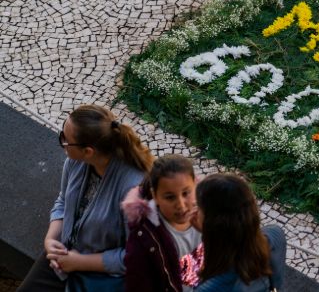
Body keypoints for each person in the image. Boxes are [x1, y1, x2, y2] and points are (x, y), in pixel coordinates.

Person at [18, 105, 153, 292]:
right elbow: (63, 201)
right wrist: (50, 240)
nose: (63, 143)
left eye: (65, 140)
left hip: (103, 274)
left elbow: (137, 257)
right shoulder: (75, 162)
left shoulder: (134, 190)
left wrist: (79, 262)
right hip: (64, 258)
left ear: (88, 151)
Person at [122, 155, 202, 292]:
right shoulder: (144, 239)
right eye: (170, 197)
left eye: (186, 193)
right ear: (155, 195)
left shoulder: (211, 217)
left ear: (195, 185)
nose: (181, 206)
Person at [193, 174, 285, 292]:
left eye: (198, 208)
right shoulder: (275, 234)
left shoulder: (211, 288)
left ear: (211, 223)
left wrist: (206, 234)